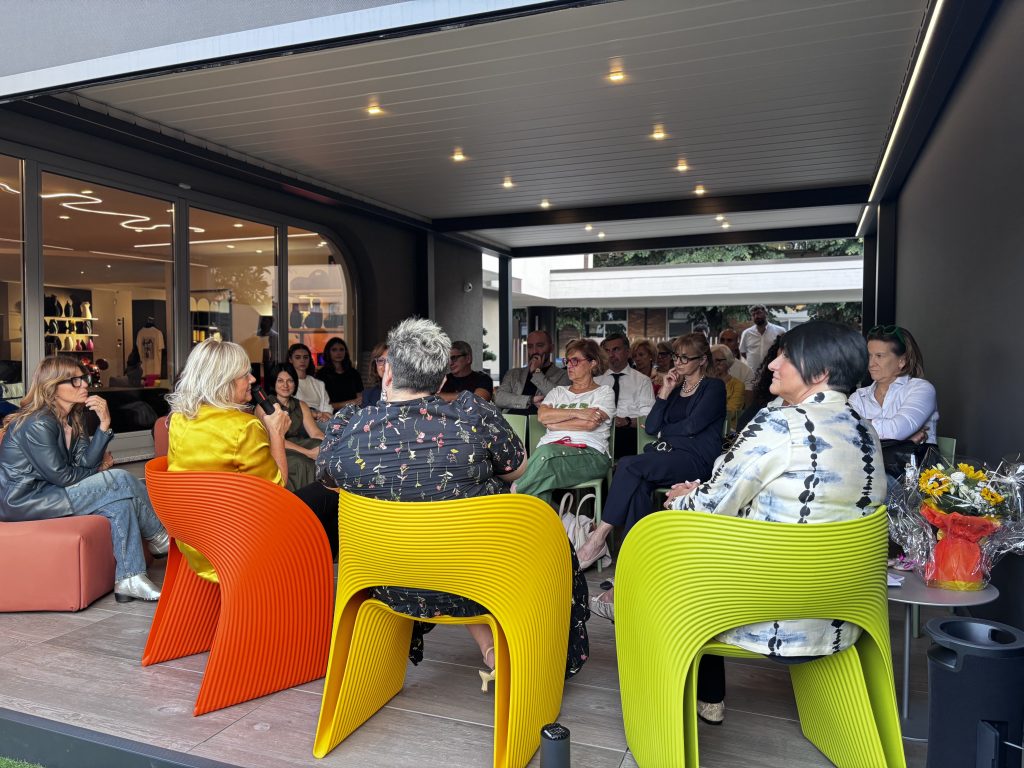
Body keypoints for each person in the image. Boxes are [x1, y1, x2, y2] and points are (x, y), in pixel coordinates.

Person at [316, 318, 590, 684]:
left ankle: (489, 649)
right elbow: (518, 470)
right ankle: (529, 655)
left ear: (388, 372)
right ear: (442, 380)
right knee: (537, 529)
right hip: (474, 577)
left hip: (384, 581)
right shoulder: (472, 414)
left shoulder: (348, 424)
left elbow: (329, 479)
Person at [666, 320, 885, 725]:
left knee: (673, 555)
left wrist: (681, 498)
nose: (771, 365)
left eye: (786, 357)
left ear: (819, 373)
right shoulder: (864, 429)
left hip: (774, 608)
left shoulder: (783, 423)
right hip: (840, 610)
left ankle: (696, 697)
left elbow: (709, 507)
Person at [578, 334, 726, 616]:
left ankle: (599, 538)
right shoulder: (675, 389)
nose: (678, 362)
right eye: (676, 357)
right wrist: (665, 392)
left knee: (628, 465)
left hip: (696, 460)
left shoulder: (713, 387)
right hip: (666, 456)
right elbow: (652, 426)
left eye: (685, 358)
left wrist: (670, 432)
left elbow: (694, 426)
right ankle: (630, 574)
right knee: (637, 486)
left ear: (702, 360)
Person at [0, 357, 169, 602]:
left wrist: (104, 424)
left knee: (121, 503)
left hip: (54, 493)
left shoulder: (73, 417)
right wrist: (101, 472)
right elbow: (63, 476)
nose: (84, 385)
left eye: (84, 378)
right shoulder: (37, 423)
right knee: (120, 479)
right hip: (26, 501)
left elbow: (85, 463)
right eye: (75, 381)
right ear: (52, 386)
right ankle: (161, 536)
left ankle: (130, 579)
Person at [165, 339, 297, 581]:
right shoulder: (244, 427)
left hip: (193, 544)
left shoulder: (178, 420)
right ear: (223, 380)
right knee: (326, 496)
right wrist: (277, 433)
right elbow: (277, 490)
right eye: (245, 375)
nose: (253, 380)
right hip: (235, 550)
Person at [513, 338, 614, 506]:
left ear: (593, 363)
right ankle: (564, 520)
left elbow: (590, 425)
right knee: (542, 479)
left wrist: (555, 423)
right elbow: (543, 417)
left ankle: (512, 492)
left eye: (575, 361)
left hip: (590, 455)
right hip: (549, 457)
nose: (569, 365)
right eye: (567, 361)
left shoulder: (604, 392)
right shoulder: (558, 392)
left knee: (546, 456)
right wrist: (578, 413)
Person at [849, 325, 938, 445]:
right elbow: (843, 434)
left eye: (879, 356)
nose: (870, 364)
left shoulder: (922, 389)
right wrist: (905, 440)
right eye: (869, 356)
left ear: (902, 361)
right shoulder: (858, 397)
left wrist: (856, 427)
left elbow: (896, 432)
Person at [595, 332, 654, 458]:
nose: (611, 355)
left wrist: (626, 421)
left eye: (616, 349)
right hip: (600, 432)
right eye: (607, 351)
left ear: (628, 352)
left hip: (629, 432)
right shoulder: (596, 381)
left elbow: (648, 418)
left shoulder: (642, 381)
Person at [269, 362, 325, 491]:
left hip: (297, 442)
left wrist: (331, 445)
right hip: (277, 446)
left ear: (295, 383)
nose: (285, 385)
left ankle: (329, 495)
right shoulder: (265, 406)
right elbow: (274, 439)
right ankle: (304, 500)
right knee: (303, 462)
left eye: (290, 381)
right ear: (273, 383)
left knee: (320, 445)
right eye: (280, 381)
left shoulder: (301, 405)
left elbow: (315, 433)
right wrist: (309, 453)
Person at [493, 330, 568, 415]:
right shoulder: (513, 374)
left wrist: (536, 372)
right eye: (530, 346)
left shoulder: (563, 375)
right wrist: (530, 400)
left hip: (541, 422)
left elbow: (560, 400)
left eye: (540, 345)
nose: (534, 351)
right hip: (511, 421)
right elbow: (499, 398)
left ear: (551, 348)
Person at [735, 336, 784, 432]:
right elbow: (742, 426)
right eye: (777, 357)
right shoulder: (766, 399)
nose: (772, 366)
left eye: (786, 358)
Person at [287, 343, 332, 421]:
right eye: (298, 357)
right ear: (290, 360)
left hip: (320, 420)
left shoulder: (319, 384)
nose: (302, 360)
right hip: (299, 421)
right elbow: (290, 408)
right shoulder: (286, 383)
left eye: (305, 357)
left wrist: (324, 415)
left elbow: (327, 407)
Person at [316, 336, 363, 410]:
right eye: (334, 350)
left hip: (352, 414)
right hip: (329, 414)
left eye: (341, 349)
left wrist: (353, 403)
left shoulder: (354, 373)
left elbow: (359, 400)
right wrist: (349, 403)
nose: (338, 353)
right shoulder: (321, 374)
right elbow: (321, 404)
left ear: (345, 352)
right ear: (328, 352)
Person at [738, 304, 785, 376]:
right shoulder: (746, 333)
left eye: (758, 313)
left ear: (766, 313)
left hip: (773, 372)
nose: (756, 316)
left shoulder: (780, 331)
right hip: (752, 372)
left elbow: (784, 351)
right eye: (753, 315)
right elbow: (743, 352)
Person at [710, 344, 745, 428]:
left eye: (718, 360)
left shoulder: (737, 385)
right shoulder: (704, 381)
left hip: (726, 428)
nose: (714, 364)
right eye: (711, 360)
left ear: (728, 361)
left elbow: (730, 413)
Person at [718, 327, 754, 405]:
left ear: (737, 345)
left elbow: (748, 404)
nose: (725, 343)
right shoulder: (707, 366)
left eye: (729, 340)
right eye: (722, 340)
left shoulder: (746, 371)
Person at [360, 341, 387, 408]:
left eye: (390, 361)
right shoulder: (368, 395)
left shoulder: (408, 394)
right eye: (381, 360)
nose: (386, 365)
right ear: (375, 365)